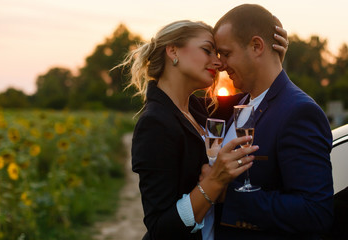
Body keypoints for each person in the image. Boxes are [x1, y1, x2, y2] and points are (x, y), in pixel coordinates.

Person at [119, 19, 287, 240]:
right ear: (173, 51)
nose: (218, 63)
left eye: (218, 54)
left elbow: (256, 91)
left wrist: (269, 61)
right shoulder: (154, 123)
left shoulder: (200, 109)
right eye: (207, 50)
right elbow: (160, 228)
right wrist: (215, 182)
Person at [209, 4, 333, 240]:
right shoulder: (238, 104)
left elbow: (316, 212)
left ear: (257, 46)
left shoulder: (299, 112)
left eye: (226, 53)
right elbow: (176, 103)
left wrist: (227, 193)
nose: (221, 64)